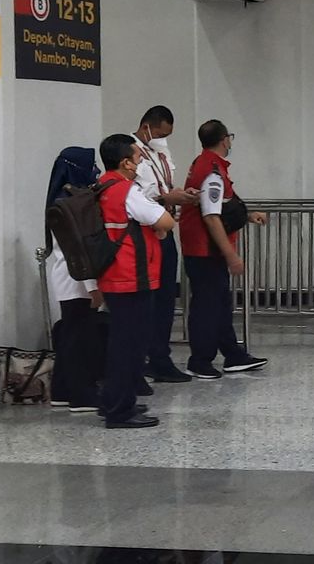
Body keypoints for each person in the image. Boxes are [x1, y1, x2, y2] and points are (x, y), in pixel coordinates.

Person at [95, 134, 175, 429]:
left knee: (121, 344)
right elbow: (165, 221)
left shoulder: (102, 186)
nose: (140, 163)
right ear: (125, 162)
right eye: (138, 159)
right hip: (132, 276)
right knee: (129, 347)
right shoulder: (126, 191)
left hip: (115, 276)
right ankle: (119, 411)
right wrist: (161, 228)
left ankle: (117, 401)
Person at [180, 120, 269, 379]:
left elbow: (223, 206)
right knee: (207, 306)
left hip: (204, 248)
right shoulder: (212, 171)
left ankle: (233, 354)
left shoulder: (205, 164)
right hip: (205, 250)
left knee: (219, 304)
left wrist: (248, 215)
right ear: (224, 139)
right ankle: (200, 360)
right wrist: (231, 256)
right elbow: (210, 215)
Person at [131, 106, 200, 384]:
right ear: (147, 125)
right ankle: (150, 358)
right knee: (148, 300)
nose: (161, 139)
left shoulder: (160, 153)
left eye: (166, 135)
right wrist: (166, 198)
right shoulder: (131, 152)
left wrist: (180, 195)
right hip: (145, 231)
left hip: (164, 228)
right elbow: (139, 194)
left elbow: (164, 185)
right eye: (159, 133)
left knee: (164, 299)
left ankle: (160, 355)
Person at [45, 147, 104, 413]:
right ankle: (81, 394)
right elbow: (80, 248)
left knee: (70, 336)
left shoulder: (62, 199)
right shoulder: (71, 204)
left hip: (67, 278)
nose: (96, 171)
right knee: (79, 340)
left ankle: (62, 390)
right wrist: (93, 286)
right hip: (77, 279)